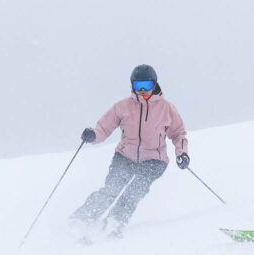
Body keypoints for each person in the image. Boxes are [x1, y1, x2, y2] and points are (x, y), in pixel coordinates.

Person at [72, 64, 189, 236]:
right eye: (138, 86)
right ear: (132, 86)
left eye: (147, 86)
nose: (142, 90)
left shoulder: (167, 109)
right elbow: (103, 128)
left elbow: (178, 134)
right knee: (111, 190)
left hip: (154, 160)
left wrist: (182, 153)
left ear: (155, 85)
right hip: (125, 156)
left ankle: (114, 222)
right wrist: (93, 135)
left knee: (133, 192)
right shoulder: (122, 107)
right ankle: (81, 220)